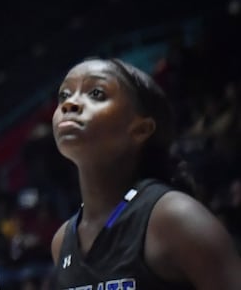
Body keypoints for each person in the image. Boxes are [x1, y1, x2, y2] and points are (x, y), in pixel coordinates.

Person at [49, 57, 241, 290]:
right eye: (64, 95)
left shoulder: (174, 218)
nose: (70, 104)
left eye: (96, 93)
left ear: (141, 129)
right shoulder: (62, 241)